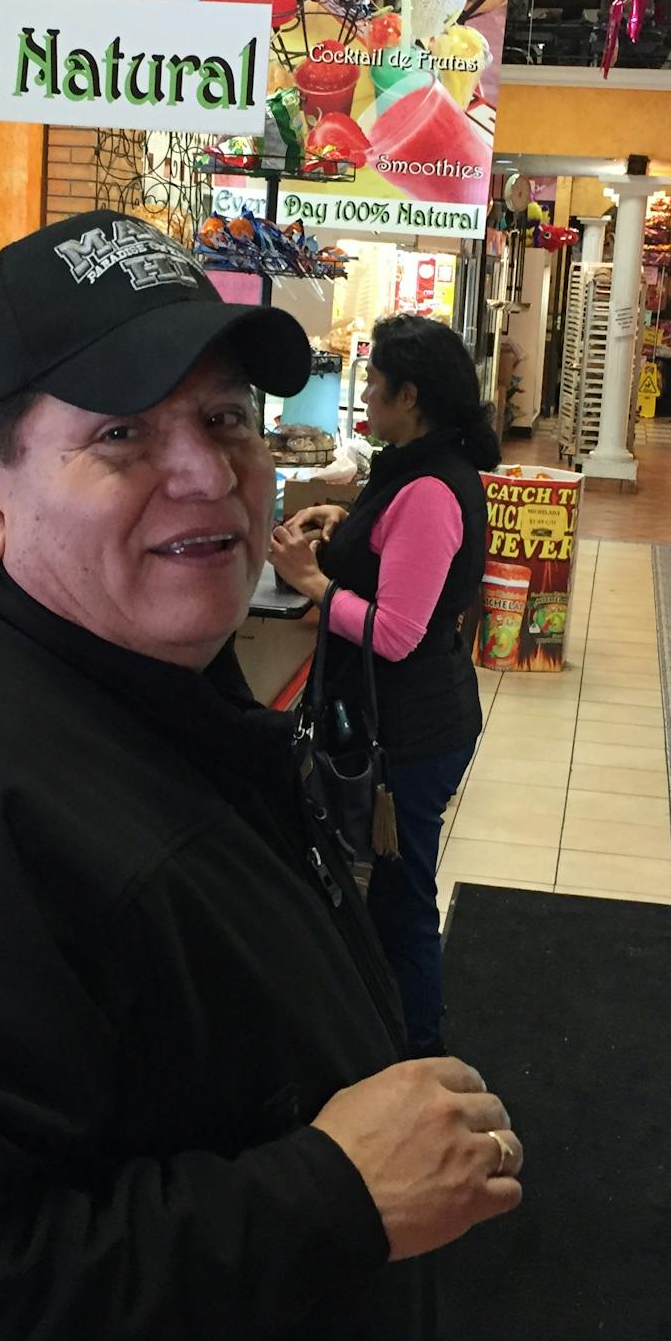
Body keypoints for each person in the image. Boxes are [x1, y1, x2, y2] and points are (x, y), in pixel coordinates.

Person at [0, 212, 522, 1341]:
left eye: (224, 418)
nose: (208, 472)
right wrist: (328, 1195)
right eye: (122, 435)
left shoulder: (129, 673)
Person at [267, 315, 496, 1057]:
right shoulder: (409, 464)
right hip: (396, 721)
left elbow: (398, 632)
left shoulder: (432, 487)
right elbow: (391, 546)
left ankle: (420, 1053)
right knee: (384, 895)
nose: (363, 391)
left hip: (413, 734)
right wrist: (344, 523)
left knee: (402, 904)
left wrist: (310, 580)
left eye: (374, 381)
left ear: (411, 395)